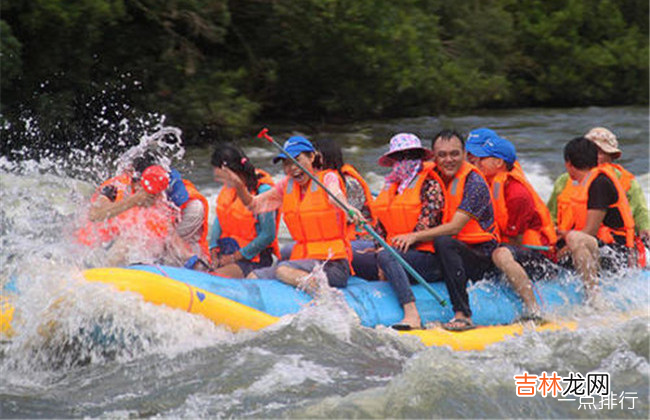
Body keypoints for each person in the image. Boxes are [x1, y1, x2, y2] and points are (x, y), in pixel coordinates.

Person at [214, 136, 363, 293]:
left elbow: (335, 195)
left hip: (332, 265)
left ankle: (326, 298)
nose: (291, 168)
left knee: (283, 270)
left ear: (312, 157)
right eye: (286, 163)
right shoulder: (286, 185)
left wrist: (347, 208)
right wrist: (238, 185)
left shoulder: (328, 177)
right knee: (254, 276)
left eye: (296, 160)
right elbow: (253, 204)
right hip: (304, 262)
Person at [389, 130, 499, 331]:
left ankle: (463, 314)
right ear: (434, 155)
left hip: (479, 256)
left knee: (444, 242)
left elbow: (455, 227)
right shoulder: (429, 176)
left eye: (454, 154)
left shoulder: (474, 183)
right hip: (441, 254)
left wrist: (414, 236)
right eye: (442, 155)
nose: (449, 160)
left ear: (465, 154)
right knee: (389, 256)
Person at [465, 128, 557, 319]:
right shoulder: (484, 183)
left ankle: (534, 310)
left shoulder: (517, 194)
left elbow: (516, 240)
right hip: (506, 245)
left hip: (536, 255)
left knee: (500, 253)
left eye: (482, 158)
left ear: (498, 162)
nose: (476, 161)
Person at [370, 133, 445, 330]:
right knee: (363, 256)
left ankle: (411, 313)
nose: (406, 161)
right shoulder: (391, 186)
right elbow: (379, 227)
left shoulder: (430, 185)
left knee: (388, 257)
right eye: (400, 157)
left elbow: (427, 225)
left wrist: (386, 255)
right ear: (393, 161)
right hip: (395, 252)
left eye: (412, 155)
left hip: (427, 256)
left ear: (419, 157)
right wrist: (379, 252)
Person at [280, 138, 379, 280]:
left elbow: (343, 216)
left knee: (288, 251)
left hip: (359, 239)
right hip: (333, 242)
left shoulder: (346, 182)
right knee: (289, 252)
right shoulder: (312, 183)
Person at [548, 127, 649, 264]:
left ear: (612, 156)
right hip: (574, 239)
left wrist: (645, 229)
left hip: (609, 243)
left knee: (577, 240)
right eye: (593, 151)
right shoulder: (564, 180)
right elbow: (551, 217)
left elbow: (641, 213)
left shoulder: (619, 181)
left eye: (601, 152)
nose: (596, 156)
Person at [555, 136, 635, 296]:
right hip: (595, 246)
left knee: (574, 239)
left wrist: (563, 250)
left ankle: (593, 296)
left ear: (568, 163)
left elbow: (589, 231)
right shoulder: (579, 183)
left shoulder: (599, 183)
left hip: (616, 253)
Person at [76, 155, 175, 265]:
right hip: (94, 249)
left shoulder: (162, 197)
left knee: (157, 246)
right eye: (148, 192)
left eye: (155, 193)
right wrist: (134, 200)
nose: (152, 197)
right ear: (134, 182)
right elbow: (94, 215)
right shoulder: (113, 188)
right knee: (128, 243)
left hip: (125, 250)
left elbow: (169, 235)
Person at [209, 144, 279, 277]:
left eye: (220, 175)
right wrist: (213, 249)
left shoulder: (263, 192)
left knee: (213, 278)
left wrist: (235, 257)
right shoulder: (228, 189)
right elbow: (220, 218)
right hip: (228, 253)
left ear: (230, 171)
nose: (215, 178)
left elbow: (268, 235)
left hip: (254, 259)